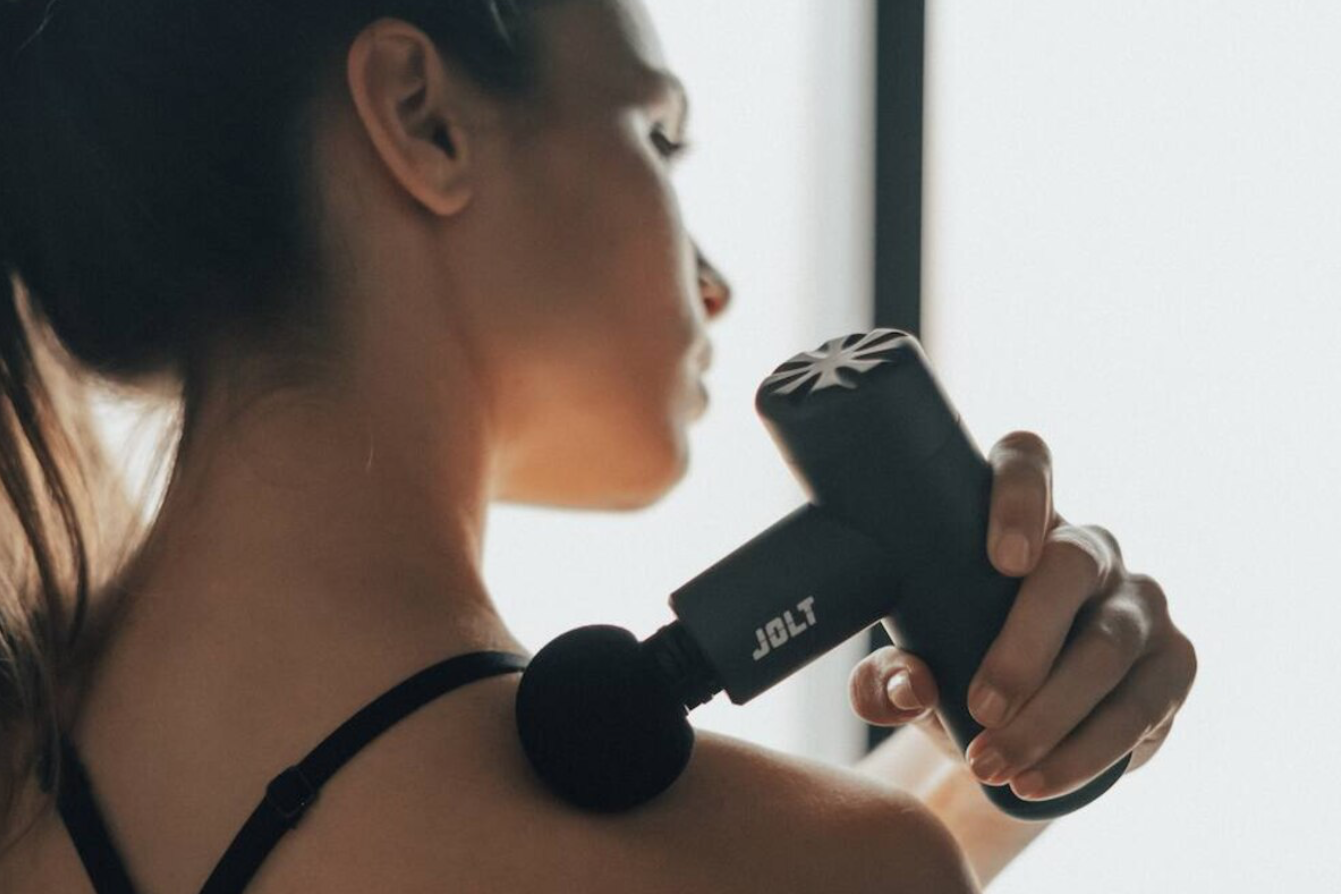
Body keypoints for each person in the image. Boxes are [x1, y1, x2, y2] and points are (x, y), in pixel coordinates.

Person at [0, 0, 1197, 890]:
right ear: (425, 119)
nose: (715, 286)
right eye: (659, 135)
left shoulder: (29, 780)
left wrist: (1004, 774)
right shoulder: (805, 867)